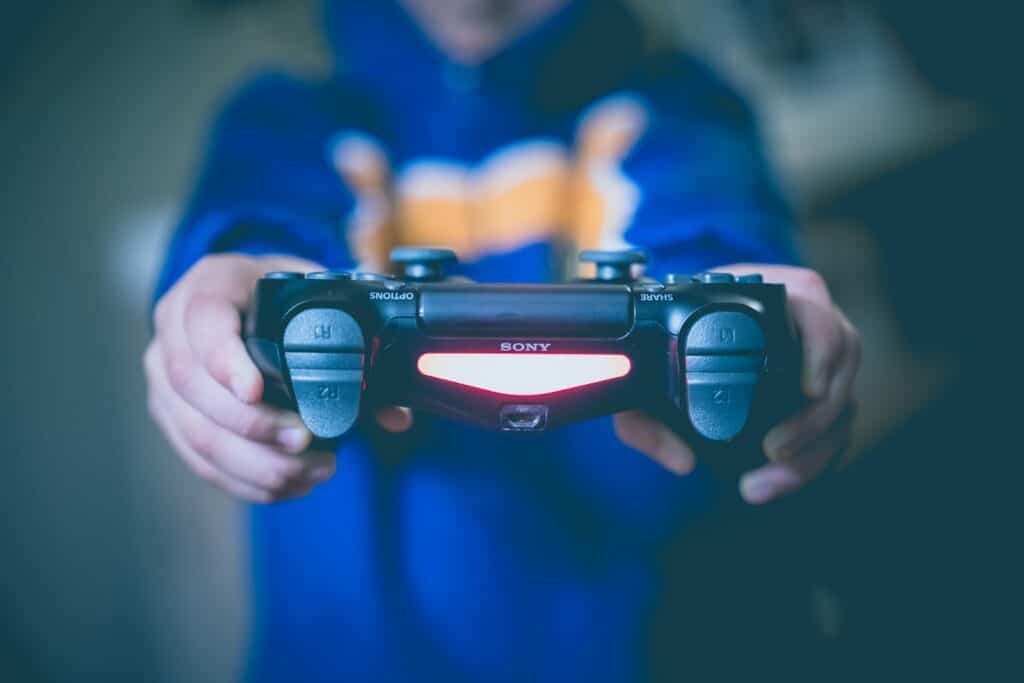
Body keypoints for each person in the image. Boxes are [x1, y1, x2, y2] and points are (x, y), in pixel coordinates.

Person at [145, 0, 861, 680]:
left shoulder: (679, 103)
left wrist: (752, 310)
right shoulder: (285, 122)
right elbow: (258, 224)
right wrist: (242, 295)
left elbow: (706, 231)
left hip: (678, 651)